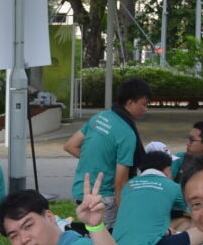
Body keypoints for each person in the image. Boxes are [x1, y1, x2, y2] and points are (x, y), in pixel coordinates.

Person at [62, 77, 151, 227]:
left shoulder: (100, 117)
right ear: (130, 102)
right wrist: (126, 216)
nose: (146, 109)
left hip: (81, 192)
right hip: (102, 199)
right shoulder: (127, 134)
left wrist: (97, 162)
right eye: (144, 104)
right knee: (106, 238)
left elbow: (70, 145)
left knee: (89, 235)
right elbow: (120, 184)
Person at [113, 151, 203, 245]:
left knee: (183, 221)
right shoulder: (172, 186)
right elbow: (200, 210)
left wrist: (167, 231)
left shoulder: (128, 186)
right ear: (168, 170)